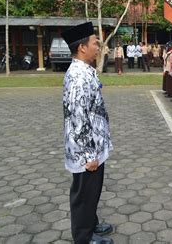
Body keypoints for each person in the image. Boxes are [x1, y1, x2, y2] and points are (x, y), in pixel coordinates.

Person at [61, 22, 114, 244]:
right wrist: (88, 154)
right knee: (83, 195)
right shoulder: (78, 77)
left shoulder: (85, 70)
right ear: (82, 47)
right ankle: (84, 237)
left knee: (92, 192)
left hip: (94, 143)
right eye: (94, 43)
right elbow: (78, 117)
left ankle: (91, 224)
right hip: (86, 150)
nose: (98, 46)